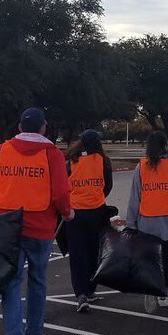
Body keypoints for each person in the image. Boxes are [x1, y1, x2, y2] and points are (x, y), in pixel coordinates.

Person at [0, 107, 72, 335]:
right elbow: (61, 193)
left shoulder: (2, 150)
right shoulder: (51, 153)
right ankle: (34, 333)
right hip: (41, 226)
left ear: (19, 127)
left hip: (8, 227)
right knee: (38, 280)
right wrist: (67, 212)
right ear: (43, 128)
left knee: (11, 283)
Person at [126, 130, 168, 309]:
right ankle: (163, 293)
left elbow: (134, 198)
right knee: (166, 257)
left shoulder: (141, 167)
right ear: (165, 146)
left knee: (150, 258)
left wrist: (131, 223)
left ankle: (150, 286)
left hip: (147, 221)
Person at [64, 129, 114, 312]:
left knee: (76, 255)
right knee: (95, 252)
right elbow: (108, 186)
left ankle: (80, 293)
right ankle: (91, 288)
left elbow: (64, 186)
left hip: (76, 213)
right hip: (97, 212)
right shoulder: (103, 161)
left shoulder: (71, 162)